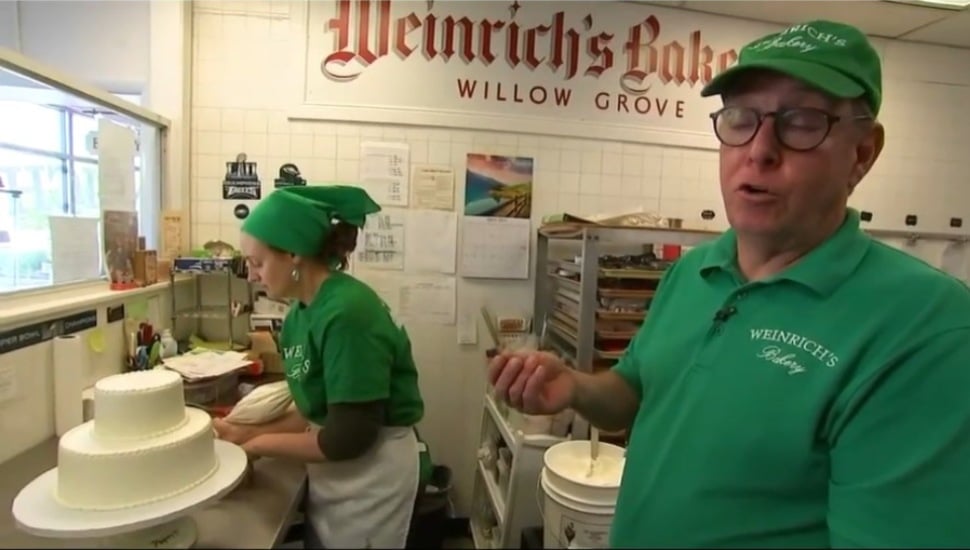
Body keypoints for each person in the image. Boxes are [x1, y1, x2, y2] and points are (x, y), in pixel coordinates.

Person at [489, 19, 970, 549]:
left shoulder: (923, 326)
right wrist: (575, 388)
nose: (759, 150)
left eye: (803, 121)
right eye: (741, 118)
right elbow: (635, 393)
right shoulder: (693, 272)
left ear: (861, 153)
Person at [213, 185, 425, 549]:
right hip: (338, 473)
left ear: (294, 253)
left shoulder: (347, 313)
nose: (250, 275)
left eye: (257, 262)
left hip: (372, 477)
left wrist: (260, 443)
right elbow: (317, 412)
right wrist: (243, 434)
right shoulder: (299, 313)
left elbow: (349, 435)